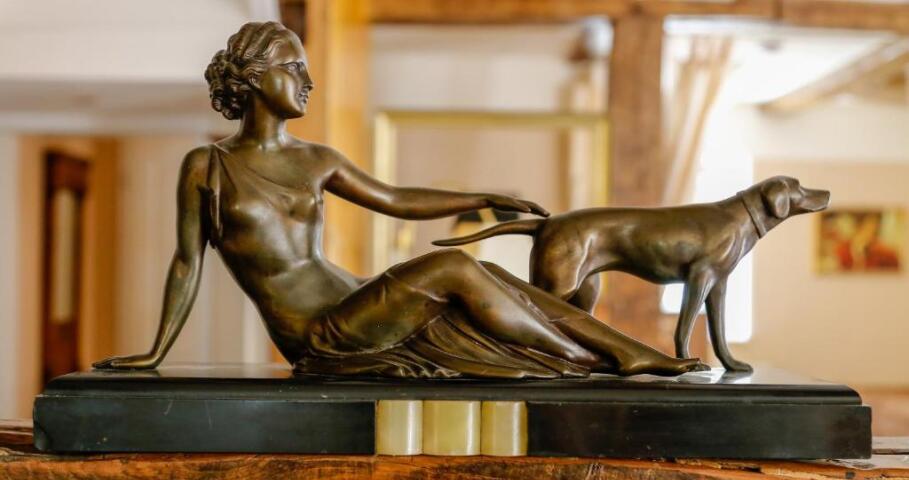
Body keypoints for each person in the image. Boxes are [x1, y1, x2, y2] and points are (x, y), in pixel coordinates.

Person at [94, 22, 704, 378]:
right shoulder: (207, 166)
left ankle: (624, 352)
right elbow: (187, 262)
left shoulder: (317, 159)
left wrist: (481, 196)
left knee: (490, 274)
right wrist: (155, 353)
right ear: (254, 77)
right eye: (293, 68)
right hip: (317, 333)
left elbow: (395, 198)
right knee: (453, 267)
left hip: (355, 300)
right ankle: (585, 360)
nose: (308, 81)